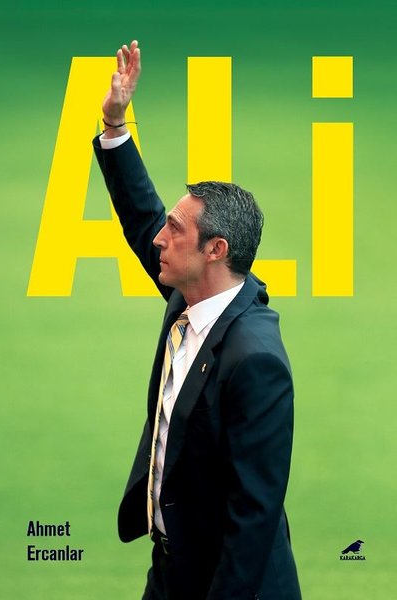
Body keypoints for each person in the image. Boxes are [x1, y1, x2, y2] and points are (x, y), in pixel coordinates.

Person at [93, 40, 302, 600]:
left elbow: (253, 518)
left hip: (227, 584)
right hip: (172, 570)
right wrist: (115, 126)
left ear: (215, 250)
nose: (159, 239)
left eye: (176, 230)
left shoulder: (254, 361)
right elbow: (142, 218)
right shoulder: (190, 294)